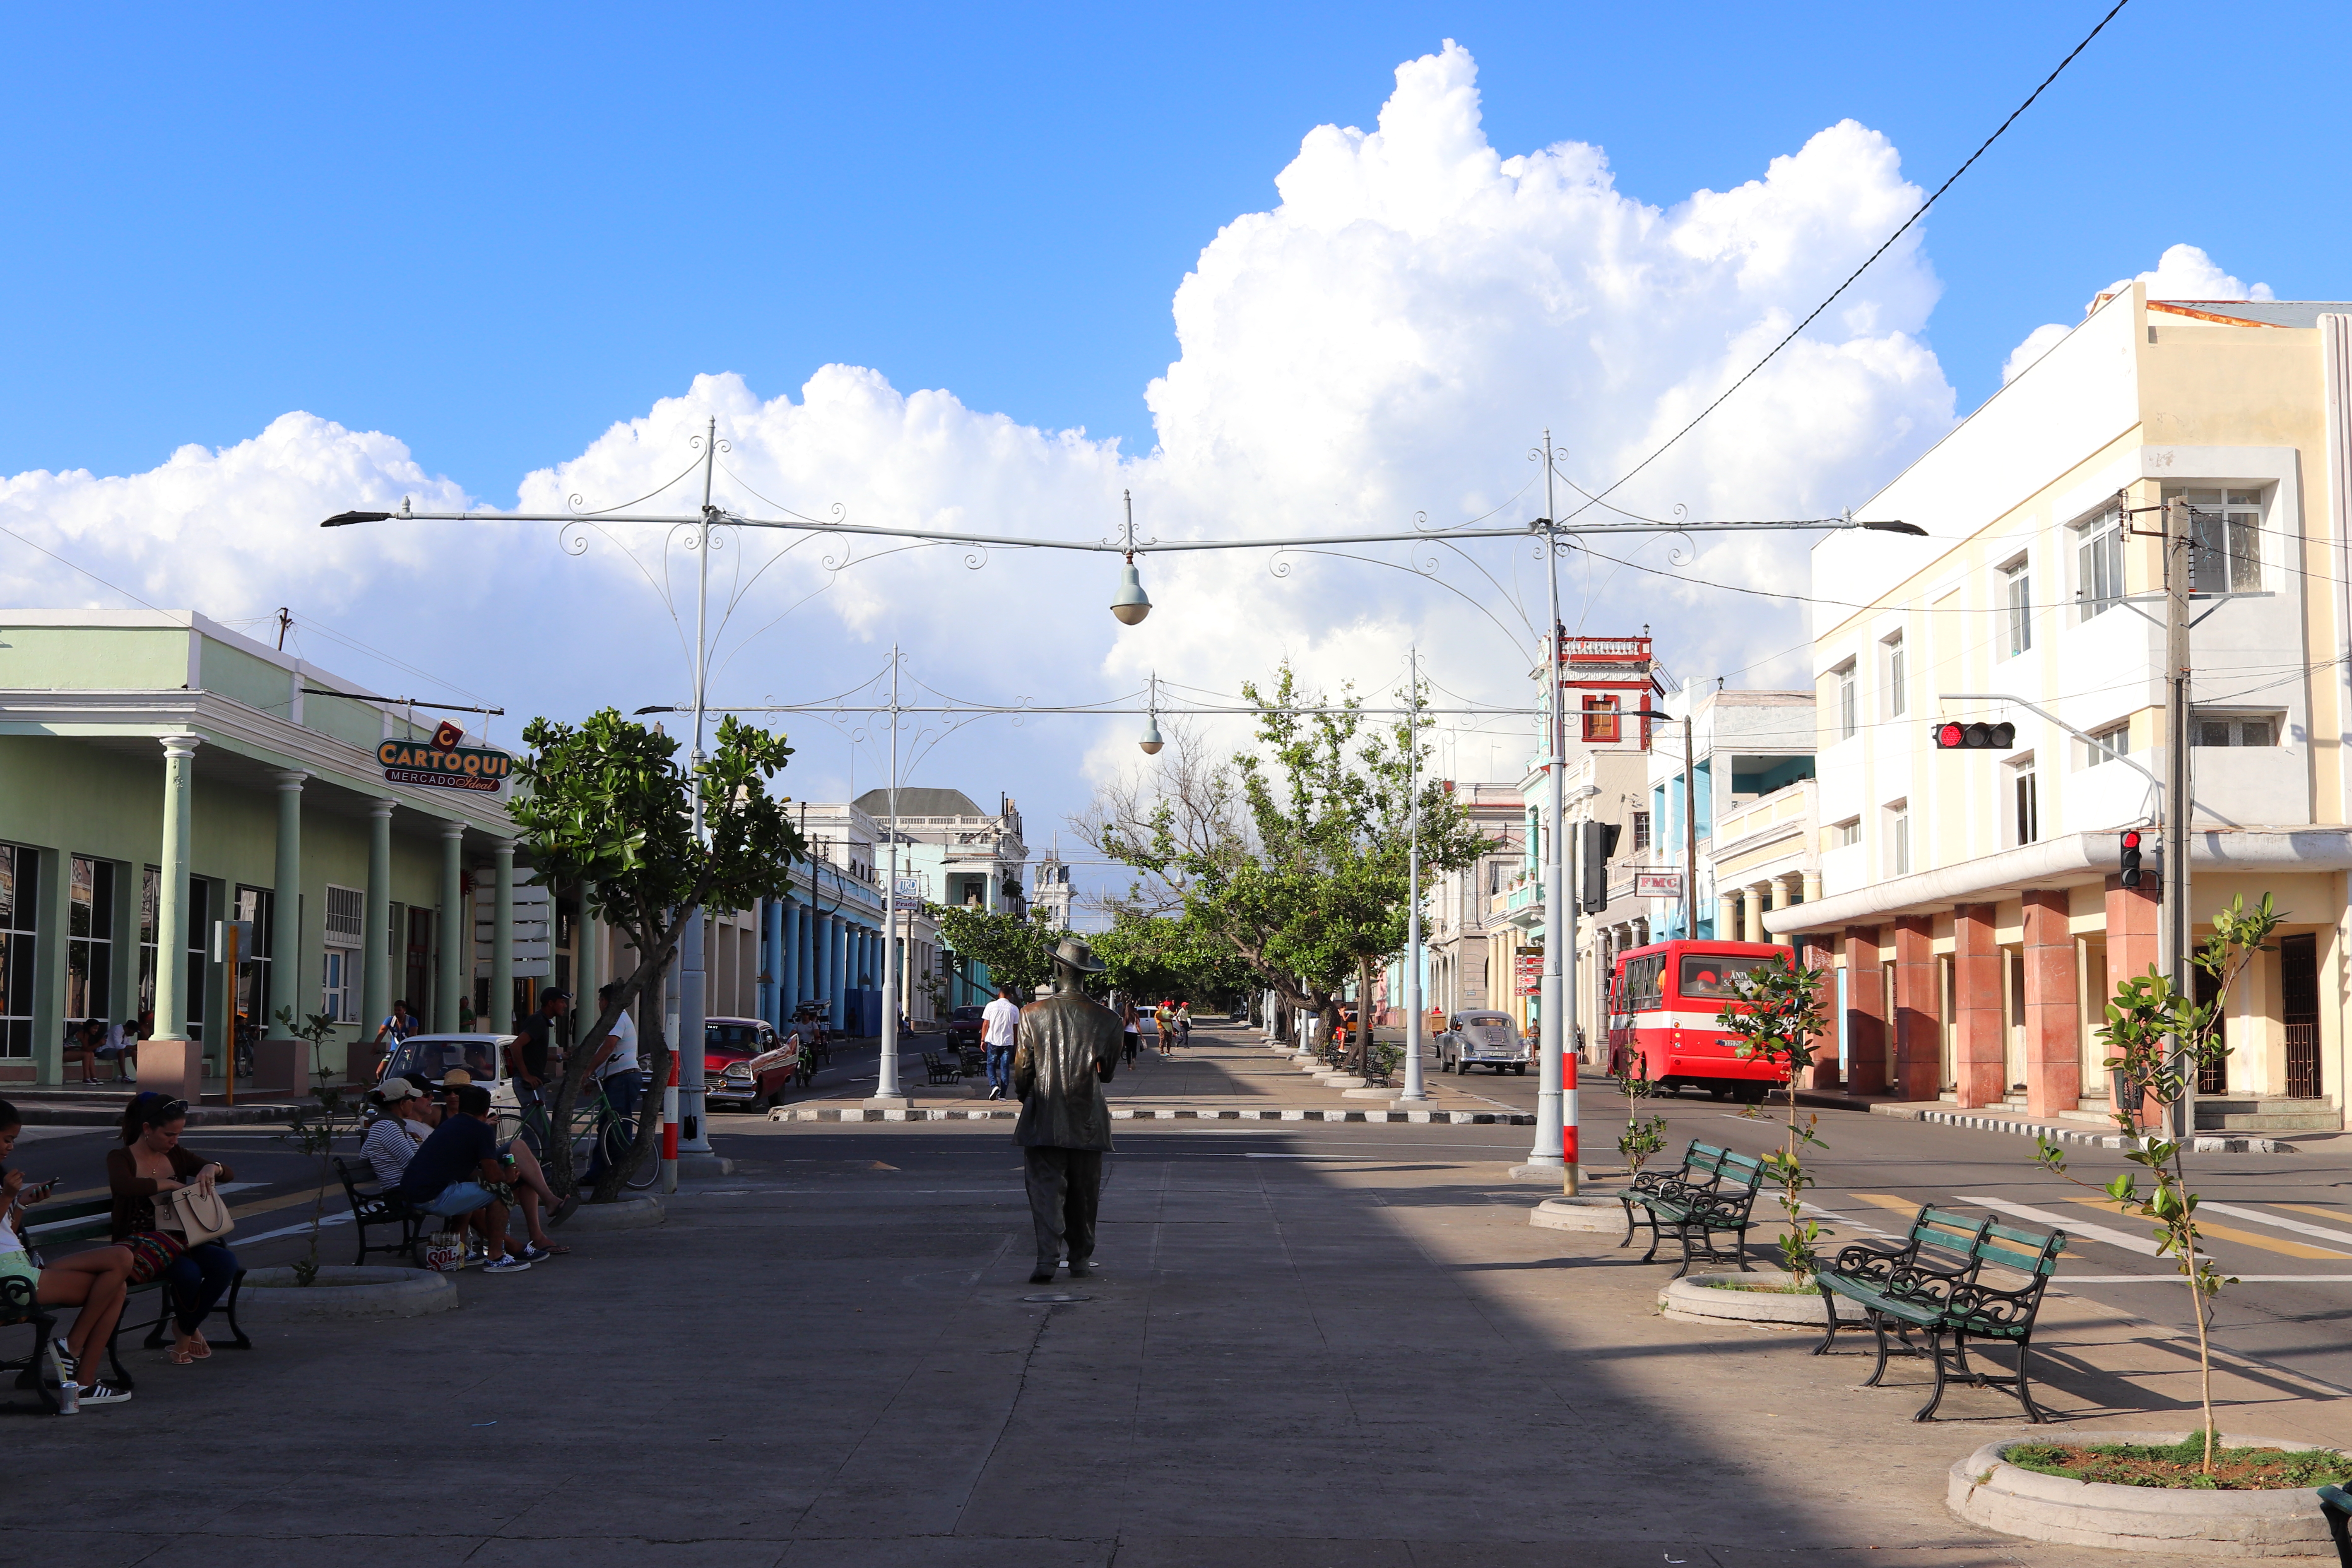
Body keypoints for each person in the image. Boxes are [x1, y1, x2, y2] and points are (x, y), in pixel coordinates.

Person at [0, 1099, 137, 1409]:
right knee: (118, 1277)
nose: (10, 1148)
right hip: (9, 1279)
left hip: (19, 1266)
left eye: (13, 1141)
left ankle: (77, 1366)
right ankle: (77, 1365)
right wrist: (8, 1195)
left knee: (119, 1266)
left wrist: (20, 1204)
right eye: (7, 1139)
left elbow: (5, 1231)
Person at [1011, 938, 1121, 1284]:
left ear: (1058, 969)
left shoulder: (1031, 1014)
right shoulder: (1108, 1019)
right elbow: (1109, 1072)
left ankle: (1047, 1259)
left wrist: (1028, 1096)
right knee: (1085, 1194)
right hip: (1087, 1116)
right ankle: (1080, 1260)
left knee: (1045, 1190)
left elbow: (1023, 1071)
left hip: (1044, 1114)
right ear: (1086, 973)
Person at [107, 1092, 239, 1366]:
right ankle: (184, 1337)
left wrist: (210, 1168)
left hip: (180, 1239)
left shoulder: (176, 1154)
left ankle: (185, 1328)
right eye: (169, 1135)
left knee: (225, 1262)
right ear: (147, 1129)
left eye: (179, 1134)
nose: (175, 1141)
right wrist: (168, 1184)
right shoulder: (121, 1157)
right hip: (140, 1247)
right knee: (188, 1273)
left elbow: (228, 1173)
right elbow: (125, 1186)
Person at [396, 1083, 538, 1272]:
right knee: (500, 1193)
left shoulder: (450, 1125)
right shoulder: (482, 1130)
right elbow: (494, 1178)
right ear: (487, 1110)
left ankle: (460, 1249)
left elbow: (471, 1172)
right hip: (432, 1196)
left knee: (469, 1186)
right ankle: (496, 1256)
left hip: (413, 1192)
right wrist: (508, 1176)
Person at [581, 983, 642, 1187]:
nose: (599, 1004)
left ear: (606, 1002)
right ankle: (597, 1173)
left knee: (618, 1127)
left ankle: (620, 1173)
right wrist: (593, 1077)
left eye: (600, 1000)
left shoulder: (617, 1018)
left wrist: (589, 1071)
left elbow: (608, 1048)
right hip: (614, 1079)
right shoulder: (612, 1020)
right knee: (606, 1127)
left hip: (623, 1078)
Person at [504, 987, 571, 1156]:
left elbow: (535, 1053)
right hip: (528, 1085)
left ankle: (546, 1172)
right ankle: (531, 1173)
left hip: (536, 1084)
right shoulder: (538, 1021)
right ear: (551, 1003)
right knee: (533, 1133)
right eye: (562, 1002)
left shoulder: (542, 1021)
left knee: (545, 1132)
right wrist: (526, 1075)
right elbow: (516, 1046)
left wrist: (560, 1058)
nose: (565, 1005)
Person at [361, 1078, 433, 1184]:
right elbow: (413, 1166)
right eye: (412, 1099)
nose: (413, 1103)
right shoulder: (388, 1127)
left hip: (408, 1190)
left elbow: (364, 1156)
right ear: (403, 1103)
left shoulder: (386, 1126)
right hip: (408, 1193)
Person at [980, 984, 1021, 1101]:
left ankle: (994, 1085)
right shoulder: (1014, 1009)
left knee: (991, 1065)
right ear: (1010, 996)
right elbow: (1016, 1028)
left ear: (999, 994)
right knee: (1005, 1068)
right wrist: (1016, 1043)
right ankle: (1002, 1095)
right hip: (1008, 1042)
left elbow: (986, 1024)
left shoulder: (991, 1006)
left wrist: (983, 1039)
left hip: (993, 1040)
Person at [1120, 1001, 1140, 1068]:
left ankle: (1129, 1066)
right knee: (1134, 1048)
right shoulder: (1135, 1015)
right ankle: (1134, 1059)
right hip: (1134, 1033)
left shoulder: (1125, 1016)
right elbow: (1138, 1026)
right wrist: (1142, 1036)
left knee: (1128, 1049)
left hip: (1127, 1033)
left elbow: (1124, 1026)